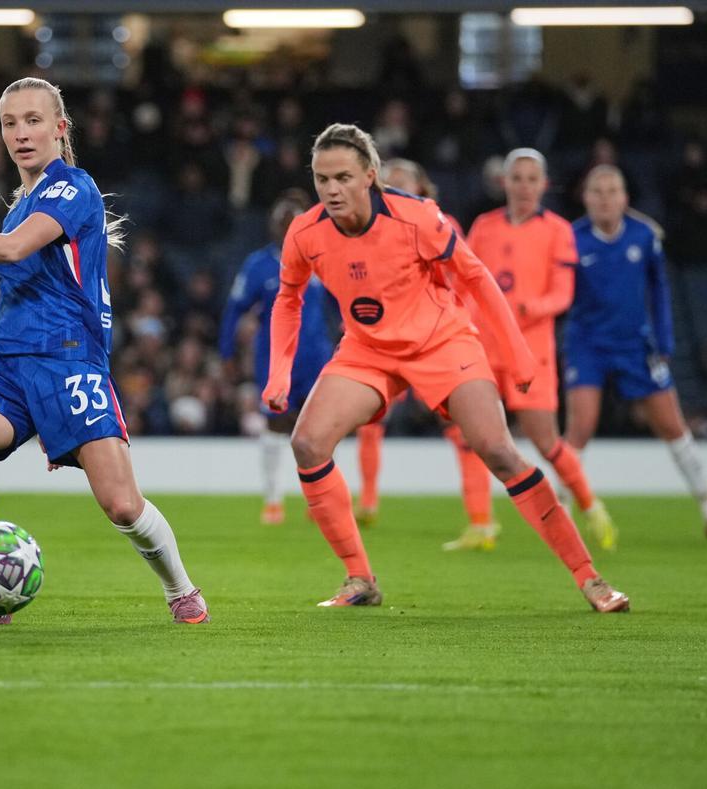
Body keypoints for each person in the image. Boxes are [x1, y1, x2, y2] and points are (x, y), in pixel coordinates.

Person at [0, 77, 209, 625]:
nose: (21, 133)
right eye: (9, 122)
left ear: (59, 128)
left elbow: (12, 248)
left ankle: (181, 589)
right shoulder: (20, 203)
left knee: (122, 505)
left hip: (68, 359)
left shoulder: (74, 188)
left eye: (32, 120)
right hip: (5, 359)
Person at [263, 123, 628, 613]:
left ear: (370, 176)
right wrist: (279, 374)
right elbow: (288, 299)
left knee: (499, 450)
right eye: (321, 178)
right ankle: (359, 579)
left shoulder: (417, 218)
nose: (331, 189)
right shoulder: (306, 233)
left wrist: (517, 353)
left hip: (441, 342)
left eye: (343, 177)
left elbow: (474, 277)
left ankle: (591, 579)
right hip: (368, 348)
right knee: (307, 443)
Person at [461, 148, 617, 551]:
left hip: (531, 350)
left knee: (545, 441)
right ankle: (481, 524)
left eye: (533, 179)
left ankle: (591, 505)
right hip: (484, 345)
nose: (525, 186)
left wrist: (529, 308)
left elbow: (562, 295)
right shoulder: (483, 226)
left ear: (544, 185)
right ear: (504, 183)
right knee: (470, 434)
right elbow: (466, 284)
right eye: (518, 178)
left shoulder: (558, 230)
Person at [566, 165, 707, 538]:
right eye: (597, 191)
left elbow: (660, 293)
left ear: (625, 197)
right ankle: (563, 511)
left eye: (612, 191)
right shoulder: (572, 239)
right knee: (581, 427)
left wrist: (665, 342)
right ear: (585, 197)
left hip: (635, 345)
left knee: (672, 425)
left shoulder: (644, 235)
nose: (605, 198)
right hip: (587, 344)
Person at [351, 159, 497, 547]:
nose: (395, 188)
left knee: (463, 432)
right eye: (390, 183)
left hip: (436, 341)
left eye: (404, 182)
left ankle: (482, 522)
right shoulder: (374, 228)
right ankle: (367, 502)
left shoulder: (439, 222)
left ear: (423, 187)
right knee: (368, 419)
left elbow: (466, 278)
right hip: (389, 341)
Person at [219, 188, 337, 525]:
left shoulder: (322, 259)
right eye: (281, 222)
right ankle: (273, 499)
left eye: (294, 221)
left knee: (320, 427)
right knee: (275, 421)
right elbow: (234, 309)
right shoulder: (259, 265)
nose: (287, 228)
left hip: (316, 356)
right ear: (272, 227)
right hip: (274, 358)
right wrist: (227, 350)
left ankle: (320, 499)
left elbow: (342, 300)